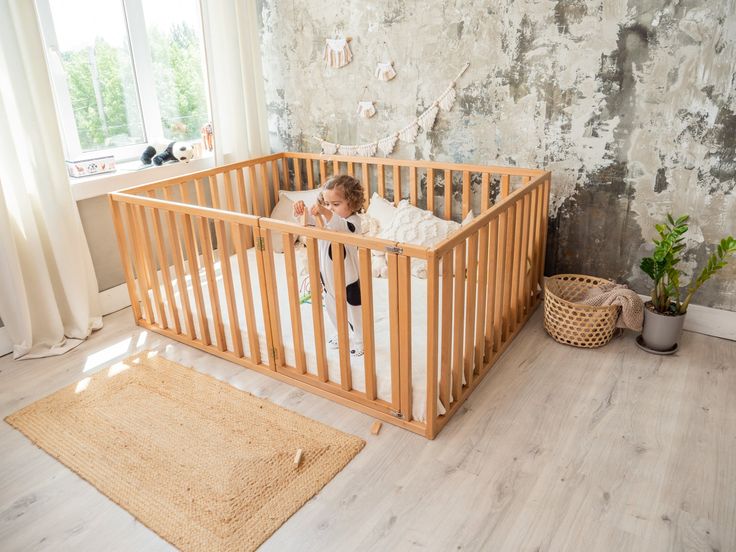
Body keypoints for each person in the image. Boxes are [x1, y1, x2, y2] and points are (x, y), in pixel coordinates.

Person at [293, 175, 365, 356]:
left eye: (336, 204)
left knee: (354, 307)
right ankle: (341, 332)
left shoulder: (354, 222)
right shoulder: (325, 220)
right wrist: (300, 212)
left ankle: (360, 338)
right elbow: (308, 224)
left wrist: (325, 212)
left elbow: (340, 225)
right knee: (331, 305)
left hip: (348, 278)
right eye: (326, 203)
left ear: (353, 203)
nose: (329, 208)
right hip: (327, 276)